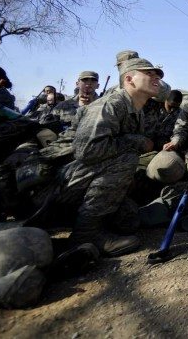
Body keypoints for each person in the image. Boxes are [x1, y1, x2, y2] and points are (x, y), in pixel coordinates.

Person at [58, 57, 162, 256]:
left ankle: (89, 220)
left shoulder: (136, 109)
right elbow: (87, 151)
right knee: (129, 158)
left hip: (83, 177)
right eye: (149, 74)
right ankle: (85, 234)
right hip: (64, 180)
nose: (156, 78)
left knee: (129, 221)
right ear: (129, 79)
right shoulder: (109, 105)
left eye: (157, 75)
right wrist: (136, 141)